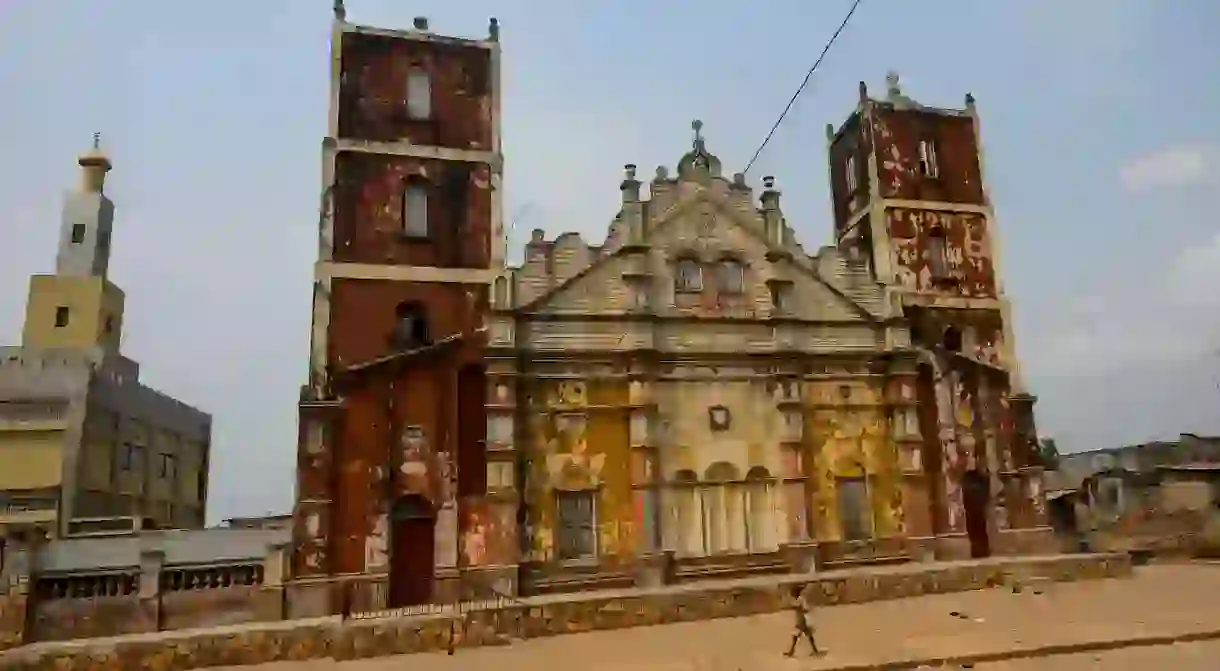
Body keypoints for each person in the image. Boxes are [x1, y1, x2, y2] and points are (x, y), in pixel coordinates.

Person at [783, 584, 822, 657]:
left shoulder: (800, 599)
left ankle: (791, 651)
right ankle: (815, 650)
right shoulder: (799, 599)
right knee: (807, 636)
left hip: (802, 621)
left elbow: (802, 607)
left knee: (795, 636)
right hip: (801, 620)